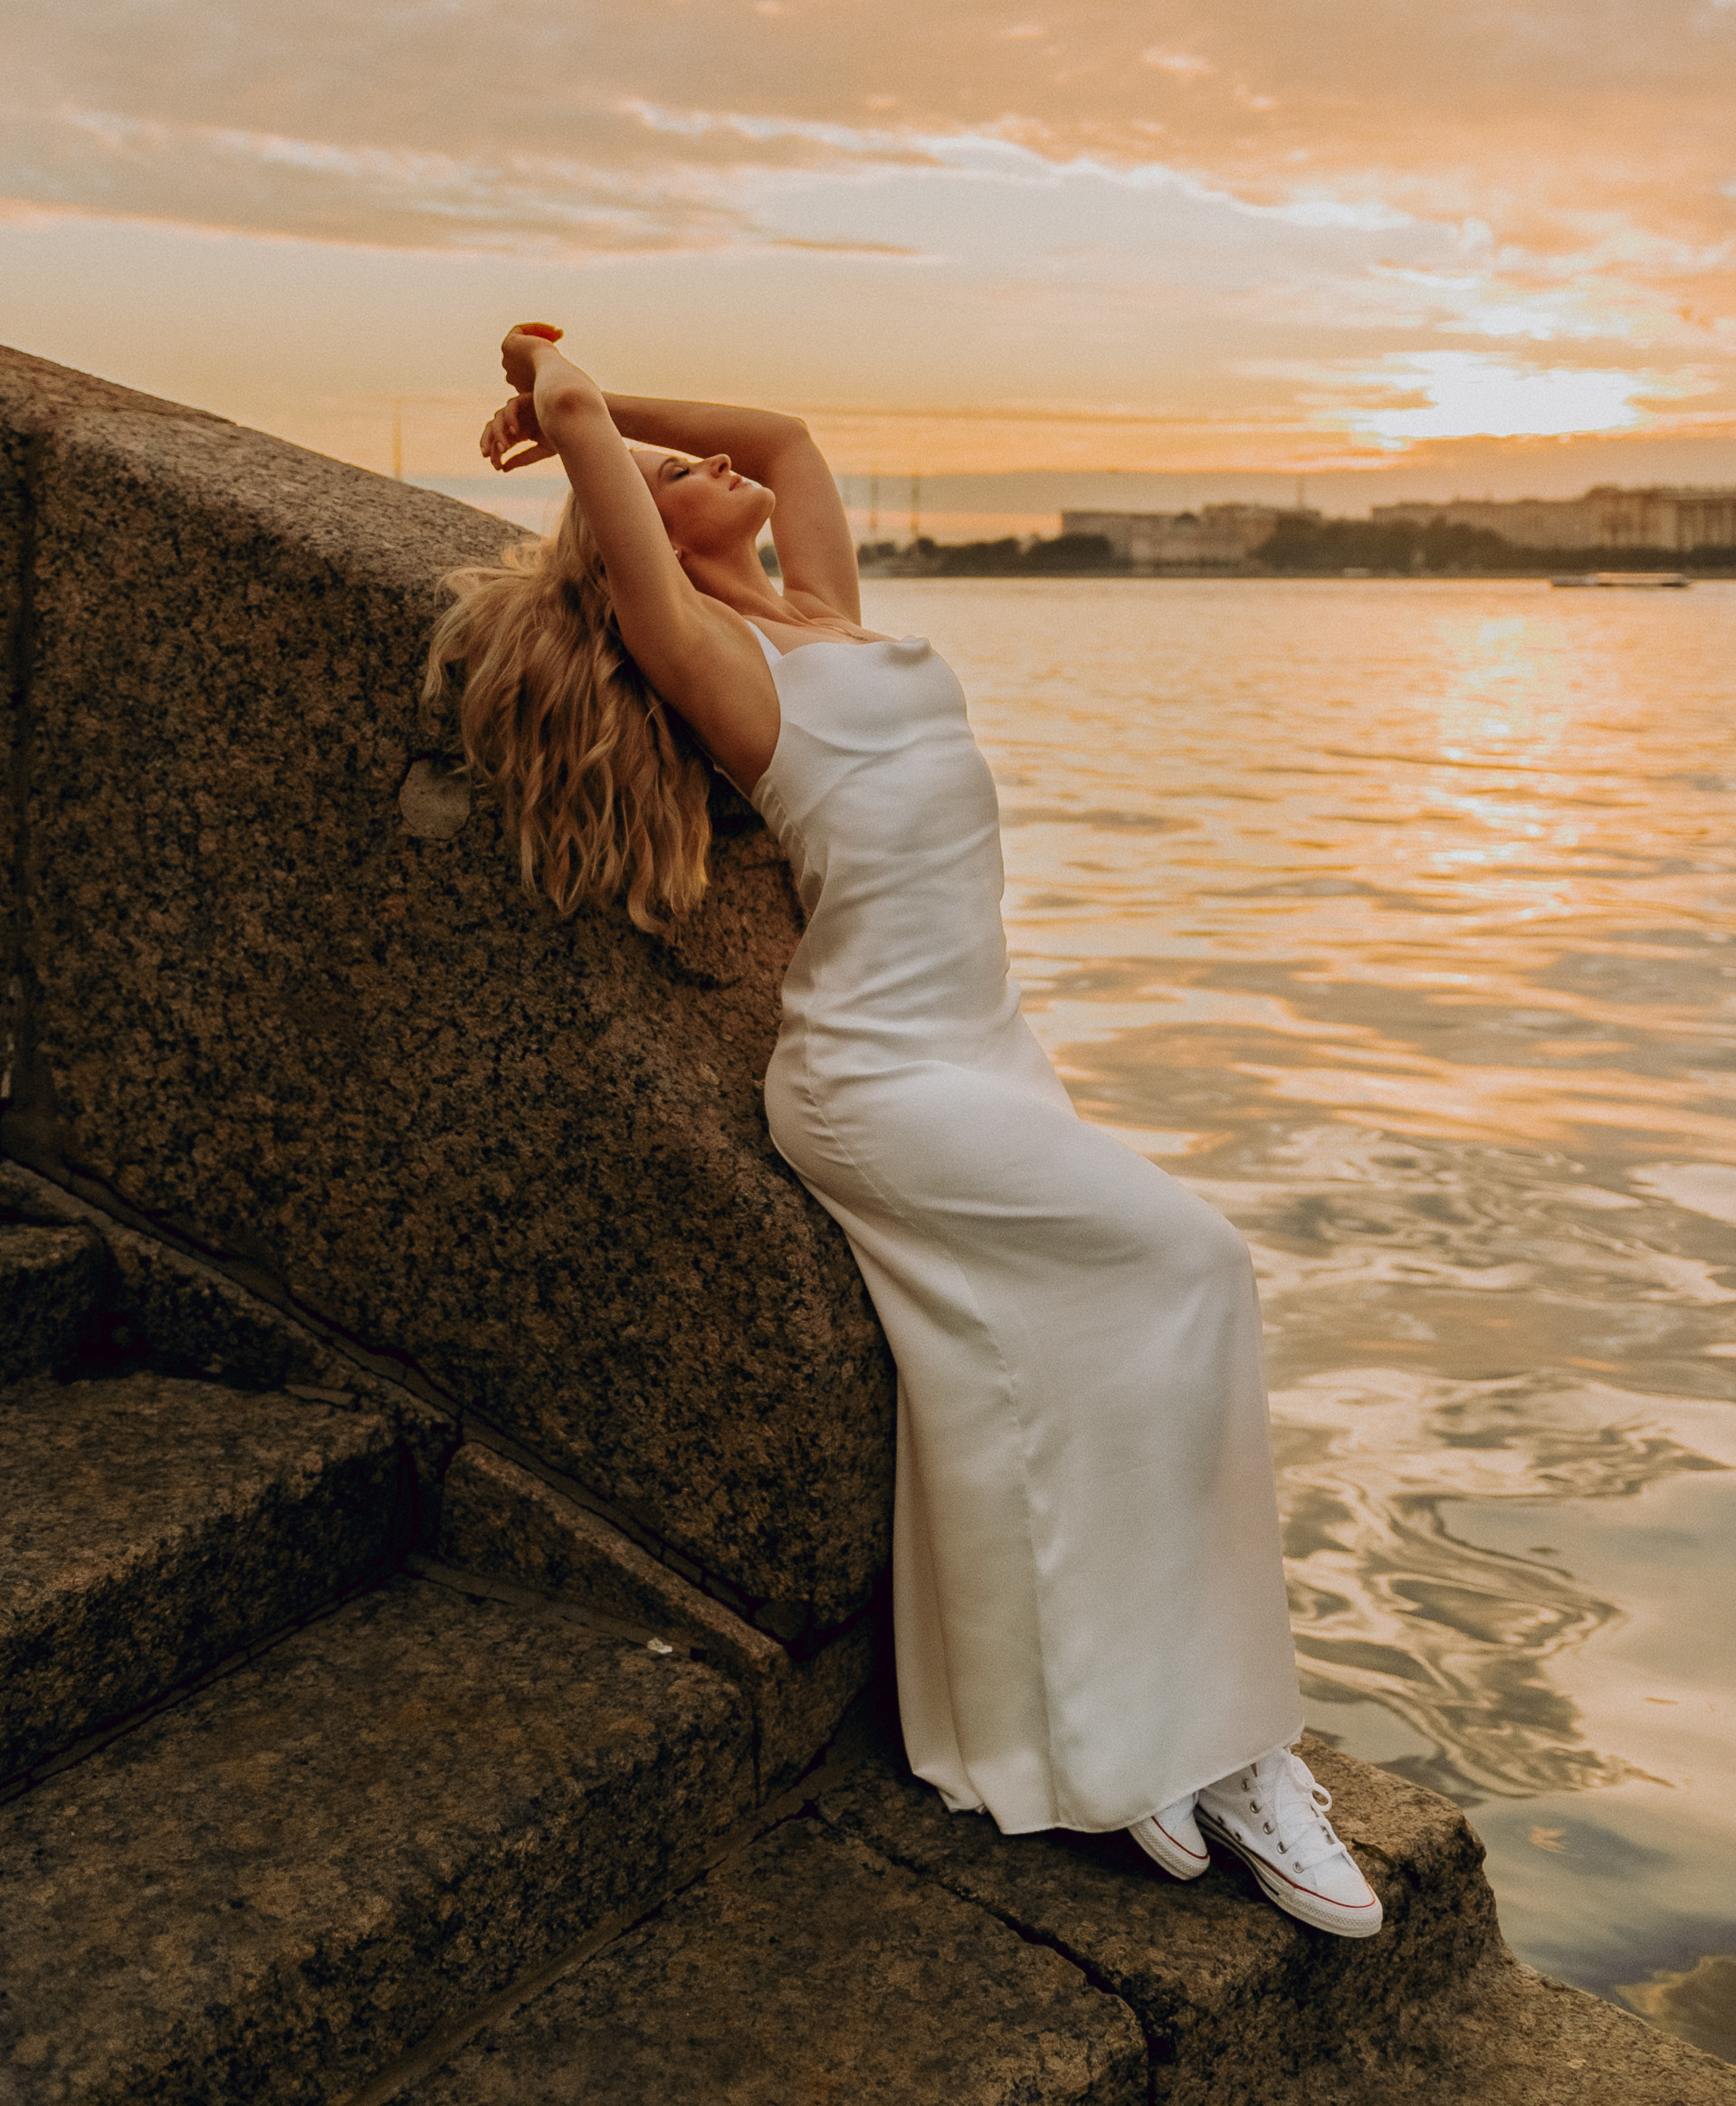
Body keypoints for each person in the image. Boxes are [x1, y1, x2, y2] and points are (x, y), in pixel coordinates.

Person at [425, 320, 1382, 1939]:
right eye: (672, 478)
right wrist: (557, 401)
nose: (713, 467)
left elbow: (789, 435)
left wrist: (611, 412)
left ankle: (1125, 1735)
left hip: (986, 1056)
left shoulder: (827, 617)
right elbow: (594, 429)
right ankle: (1240, 1755)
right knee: (1198, 1268)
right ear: (646, 539)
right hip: (880, 1083)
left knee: (1086, 1363)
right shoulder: (721, 665)